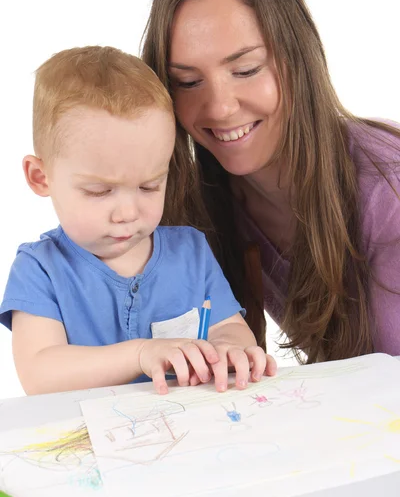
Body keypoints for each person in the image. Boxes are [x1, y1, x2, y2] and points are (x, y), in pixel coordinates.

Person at [141, 0, 400, 363]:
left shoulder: (389, 180)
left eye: (246, 70)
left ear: (298, 59)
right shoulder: (193, 207)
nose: (220, 107)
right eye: (188, 82)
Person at [0, 45, 275, 396]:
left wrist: (228, 349)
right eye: (99, 191)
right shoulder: (40, 269)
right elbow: (40, 374)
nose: (127, 213)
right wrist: (141, 354)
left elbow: (229, 327)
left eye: (149, 186)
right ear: (41, 177)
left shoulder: (189, 252)